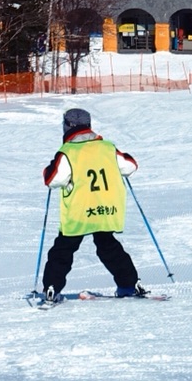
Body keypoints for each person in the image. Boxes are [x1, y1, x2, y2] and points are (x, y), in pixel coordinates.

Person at [41, 107, 145, 301]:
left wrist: (48, 169)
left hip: (79, 213)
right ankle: (129, 284)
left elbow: (53, 179)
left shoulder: (67, 152)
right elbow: (130, 165)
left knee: (63, 250)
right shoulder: (107, 148)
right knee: (108, 247)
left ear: (67, 127)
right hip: (105, 210)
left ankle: (52, 288)